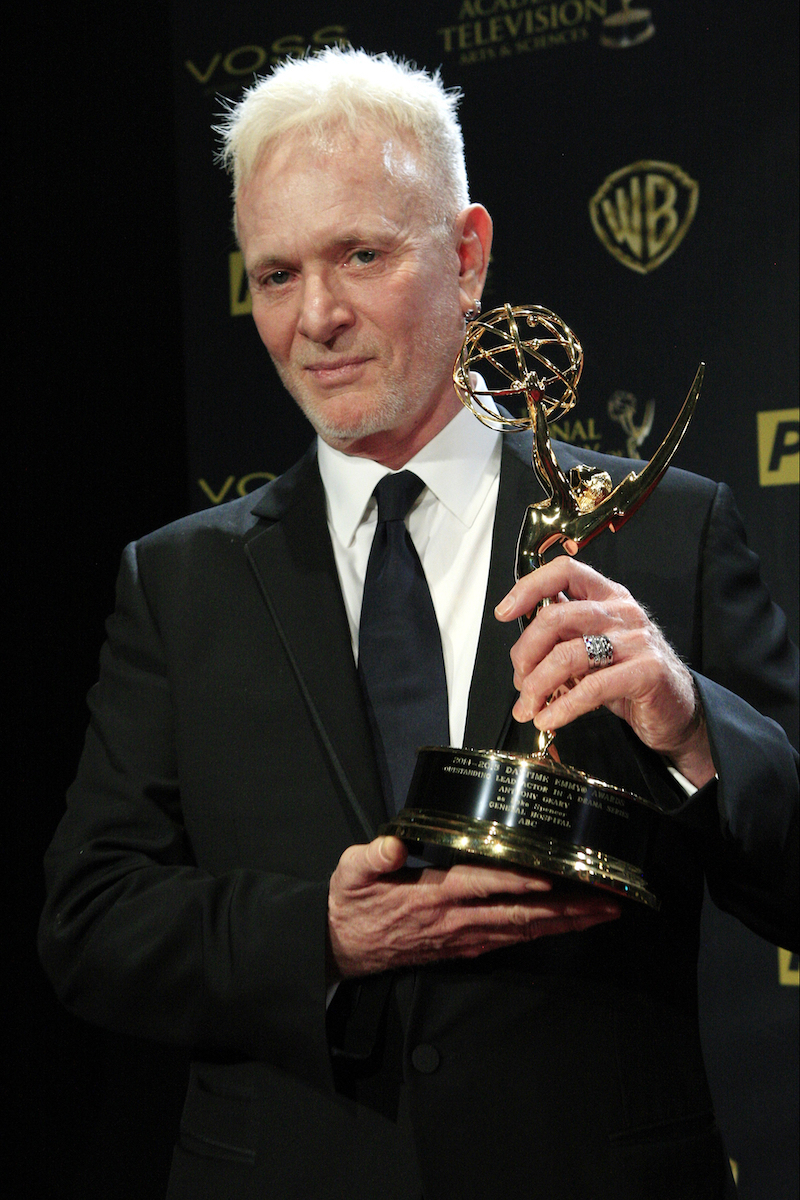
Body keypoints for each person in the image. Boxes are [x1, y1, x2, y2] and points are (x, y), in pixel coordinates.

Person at [39, 47, 798, 1200]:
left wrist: (692, 726)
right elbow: (90, 923)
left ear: (467, 252)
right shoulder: (176, 582)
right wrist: (324, 937)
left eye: (360, 254)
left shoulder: (661, 531)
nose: (318, 318)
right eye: (277, 273)